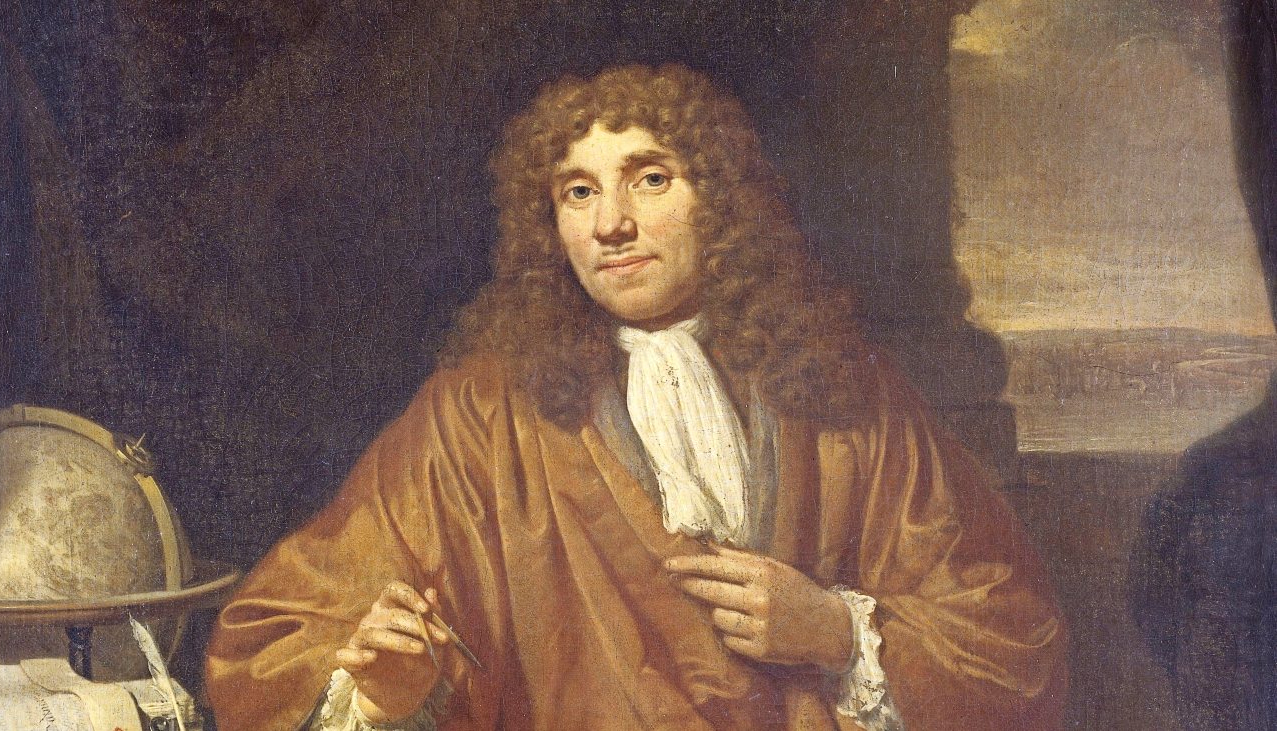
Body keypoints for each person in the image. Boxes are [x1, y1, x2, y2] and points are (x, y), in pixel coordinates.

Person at [205, 64, 1066, 731]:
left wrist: (837, 633)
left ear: (720, 201)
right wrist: (382, 692)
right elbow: (276, 636)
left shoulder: (846, 391)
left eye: (650, 178)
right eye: (578, 192)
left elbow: (1011, 640)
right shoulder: (477, 414)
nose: (610, 223)